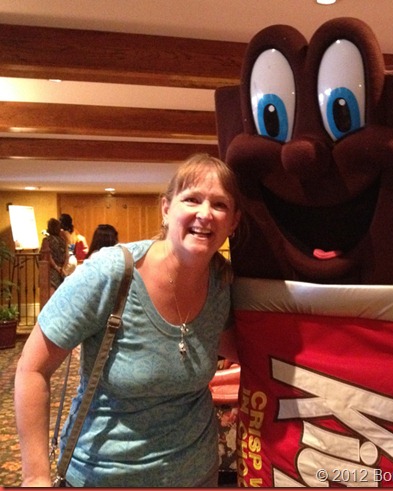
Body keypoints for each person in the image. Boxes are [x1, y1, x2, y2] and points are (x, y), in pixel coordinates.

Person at [15, 153, 241, 487]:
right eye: (192, 199)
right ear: (166, 208)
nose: (205, 213)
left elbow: (247, 353)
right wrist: (36, 477)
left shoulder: (223, 285)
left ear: (233, 221)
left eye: (219, 204)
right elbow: (32, 369)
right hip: (104, 476)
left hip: (197, 474)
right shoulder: (111, 273)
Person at [40, 218, 68, 295]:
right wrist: (63, 268)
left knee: (50, 294)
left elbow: (47, 256)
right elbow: (67, 256)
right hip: (61, 270)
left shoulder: (47, 240)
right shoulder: (63, 241)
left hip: (50, 270)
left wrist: (56, 267)